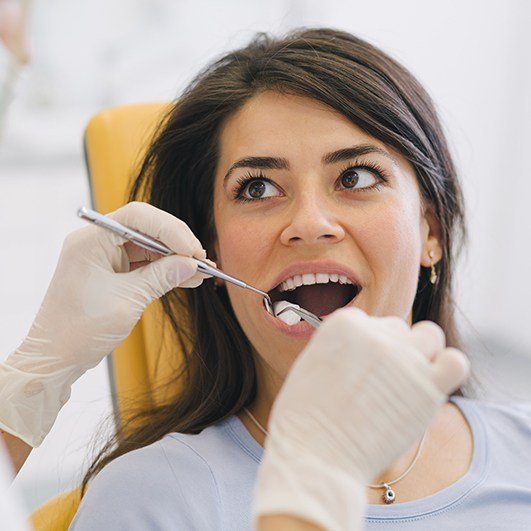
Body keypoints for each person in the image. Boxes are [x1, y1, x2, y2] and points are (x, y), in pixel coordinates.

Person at [1, 27, 530, 529]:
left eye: (356, 176)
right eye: (256, 189)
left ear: (430, 230)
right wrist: (31, 379)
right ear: (213, 255)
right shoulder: (150, 498)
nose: (309, 224)